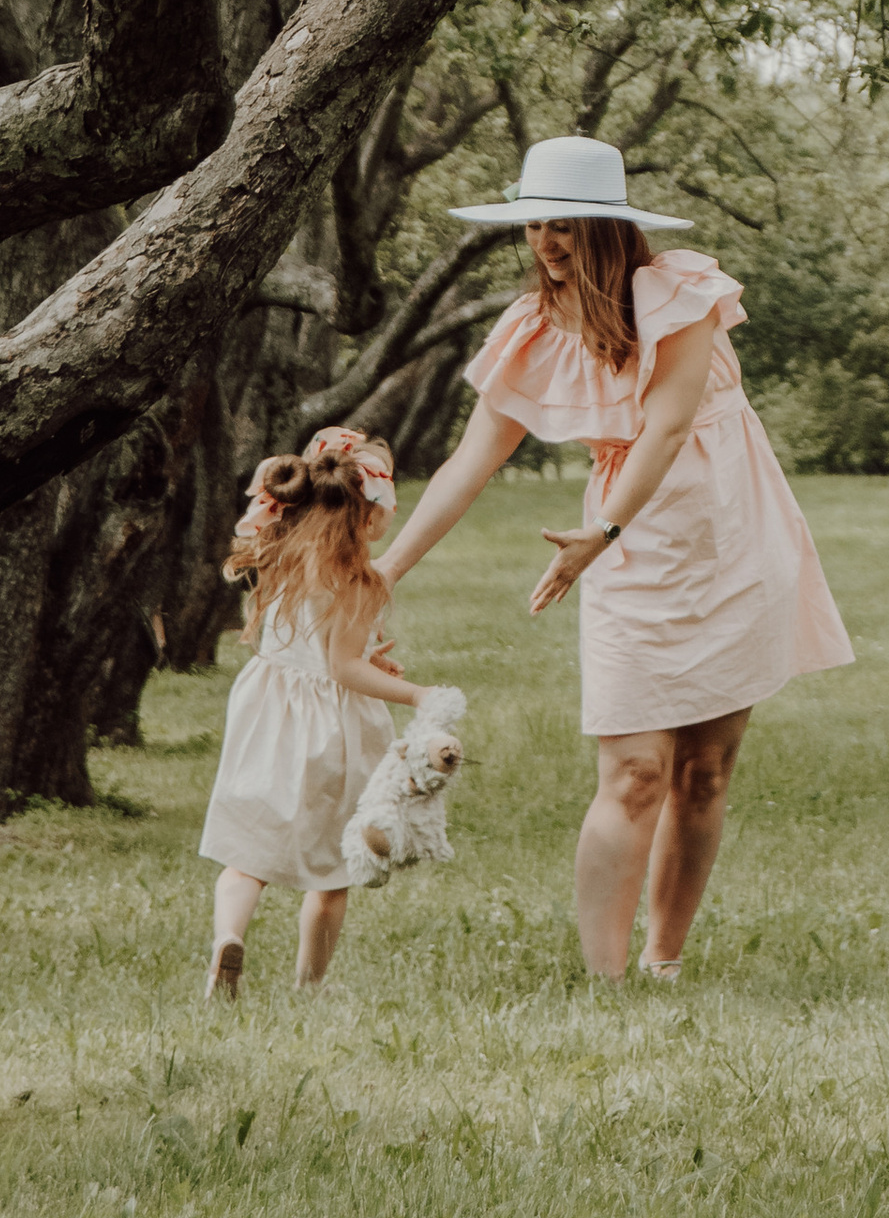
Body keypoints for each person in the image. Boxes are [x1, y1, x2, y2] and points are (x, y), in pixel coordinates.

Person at [378, 135, 852, 981]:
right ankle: (607, 982)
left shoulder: (680, 291)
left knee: (705, 770)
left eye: (565, 224)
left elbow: (668, 427)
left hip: (727, 531)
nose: (547, 243)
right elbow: (470, 460)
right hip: (626, 555)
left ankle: (665, 961)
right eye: (535, 226)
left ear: (608, 225)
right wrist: (385, 570)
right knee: (635, 770)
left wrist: (604, 533)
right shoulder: (530, 328)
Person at [200, 424, 427, 1002]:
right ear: (372, 515)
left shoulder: (282, 555)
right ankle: (309, 987)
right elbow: (345, 670)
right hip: (333, 727)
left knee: (246, 853)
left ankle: (228, 939)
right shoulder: (359, 581)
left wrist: (363, 655)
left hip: (266, 711)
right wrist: (418, 695)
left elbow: (312, 647)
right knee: (334, 870)